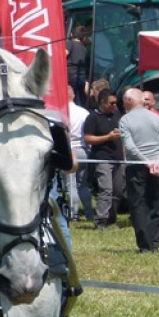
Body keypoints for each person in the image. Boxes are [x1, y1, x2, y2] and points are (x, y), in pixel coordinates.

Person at [119, 87, 159, 252]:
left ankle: (144, 246)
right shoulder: (157, 119)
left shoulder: (125, 120)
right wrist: (157, 161)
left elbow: (129, 146)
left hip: (137, 167)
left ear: (128, 101)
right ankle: (154, 244)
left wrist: (146, 161)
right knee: (154, 204)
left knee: (138, 205)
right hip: (157, 167)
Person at [83, 88, 124, 229]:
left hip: (119, 158)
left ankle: (112, 218)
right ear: (102, 102)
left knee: (118, 191)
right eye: (111, 103)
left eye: (115, 103)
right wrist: (108, 137)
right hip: (102, 158)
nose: (114, 106)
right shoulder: (92, 117)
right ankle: (101, 220)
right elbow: (88, 138)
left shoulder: (116, 114)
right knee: (105, 189)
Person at [66, 85, 94, 222]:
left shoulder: (61, 112)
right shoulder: (84, 112)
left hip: (68, 151)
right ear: (74, 95)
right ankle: (89, 213)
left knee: (70, 184)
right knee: (82, 184)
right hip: (82, 150)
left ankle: (73, 214)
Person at [66, 25, 90, 106]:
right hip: (81, 78)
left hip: (71, 76)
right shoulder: (84, 48)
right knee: (79, 99)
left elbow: (64, 54)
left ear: (72, 34)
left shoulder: (70, 43)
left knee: (71, 99)